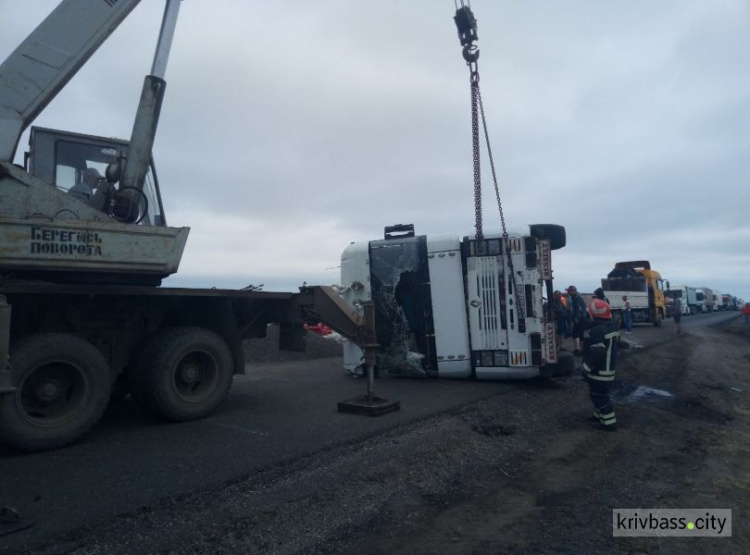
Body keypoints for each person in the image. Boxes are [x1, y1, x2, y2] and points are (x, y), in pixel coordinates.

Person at [582, 298, 619, 431]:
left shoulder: (597, 331)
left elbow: (597, 354)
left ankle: (609, 424)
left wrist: (585, 369)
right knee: (598, 394)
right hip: (608, 370)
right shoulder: (610, 326)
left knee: (599, 397)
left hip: (600, 373)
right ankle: (598, 416)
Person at [566, 285, 588, 355]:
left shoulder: (577, 298)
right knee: (581, 335)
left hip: (579, 319)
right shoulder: (575, 298)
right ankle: (582, 350)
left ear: (573, 291)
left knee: (576, 334)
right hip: (582, 318)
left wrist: (576, 320)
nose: (568, 292)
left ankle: (577, 349)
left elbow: (579, 309)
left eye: (569, 291)